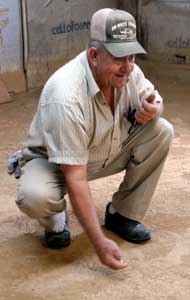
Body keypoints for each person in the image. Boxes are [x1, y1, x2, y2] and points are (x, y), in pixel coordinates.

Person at [14, 8, 174, 270]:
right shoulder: (66, 96)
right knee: (35, 196)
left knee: (162, 129)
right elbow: (75, 176)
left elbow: (154, 98)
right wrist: (98, 242)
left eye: (132, 55)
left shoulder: (128, 72)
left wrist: (155, 108)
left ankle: (122, 215)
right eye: (120, 57)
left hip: (101, 150)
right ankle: (56, 218)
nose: (128, 66)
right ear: (93, 55)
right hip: (55, 163)